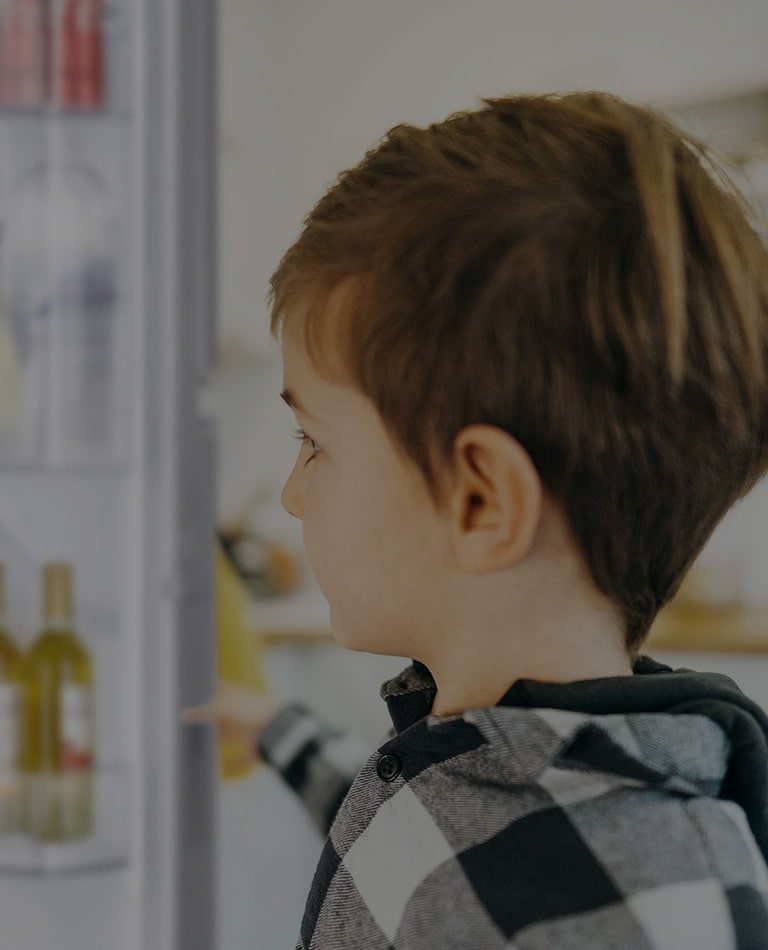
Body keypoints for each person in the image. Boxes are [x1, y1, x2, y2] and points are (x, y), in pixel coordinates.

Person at [186, 91, 768, 948]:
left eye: (314, 441)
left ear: (481, 501)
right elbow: (418, 845)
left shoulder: (648, 908)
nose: (291, 494)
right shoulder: (484, 759)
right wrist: (276, 730)